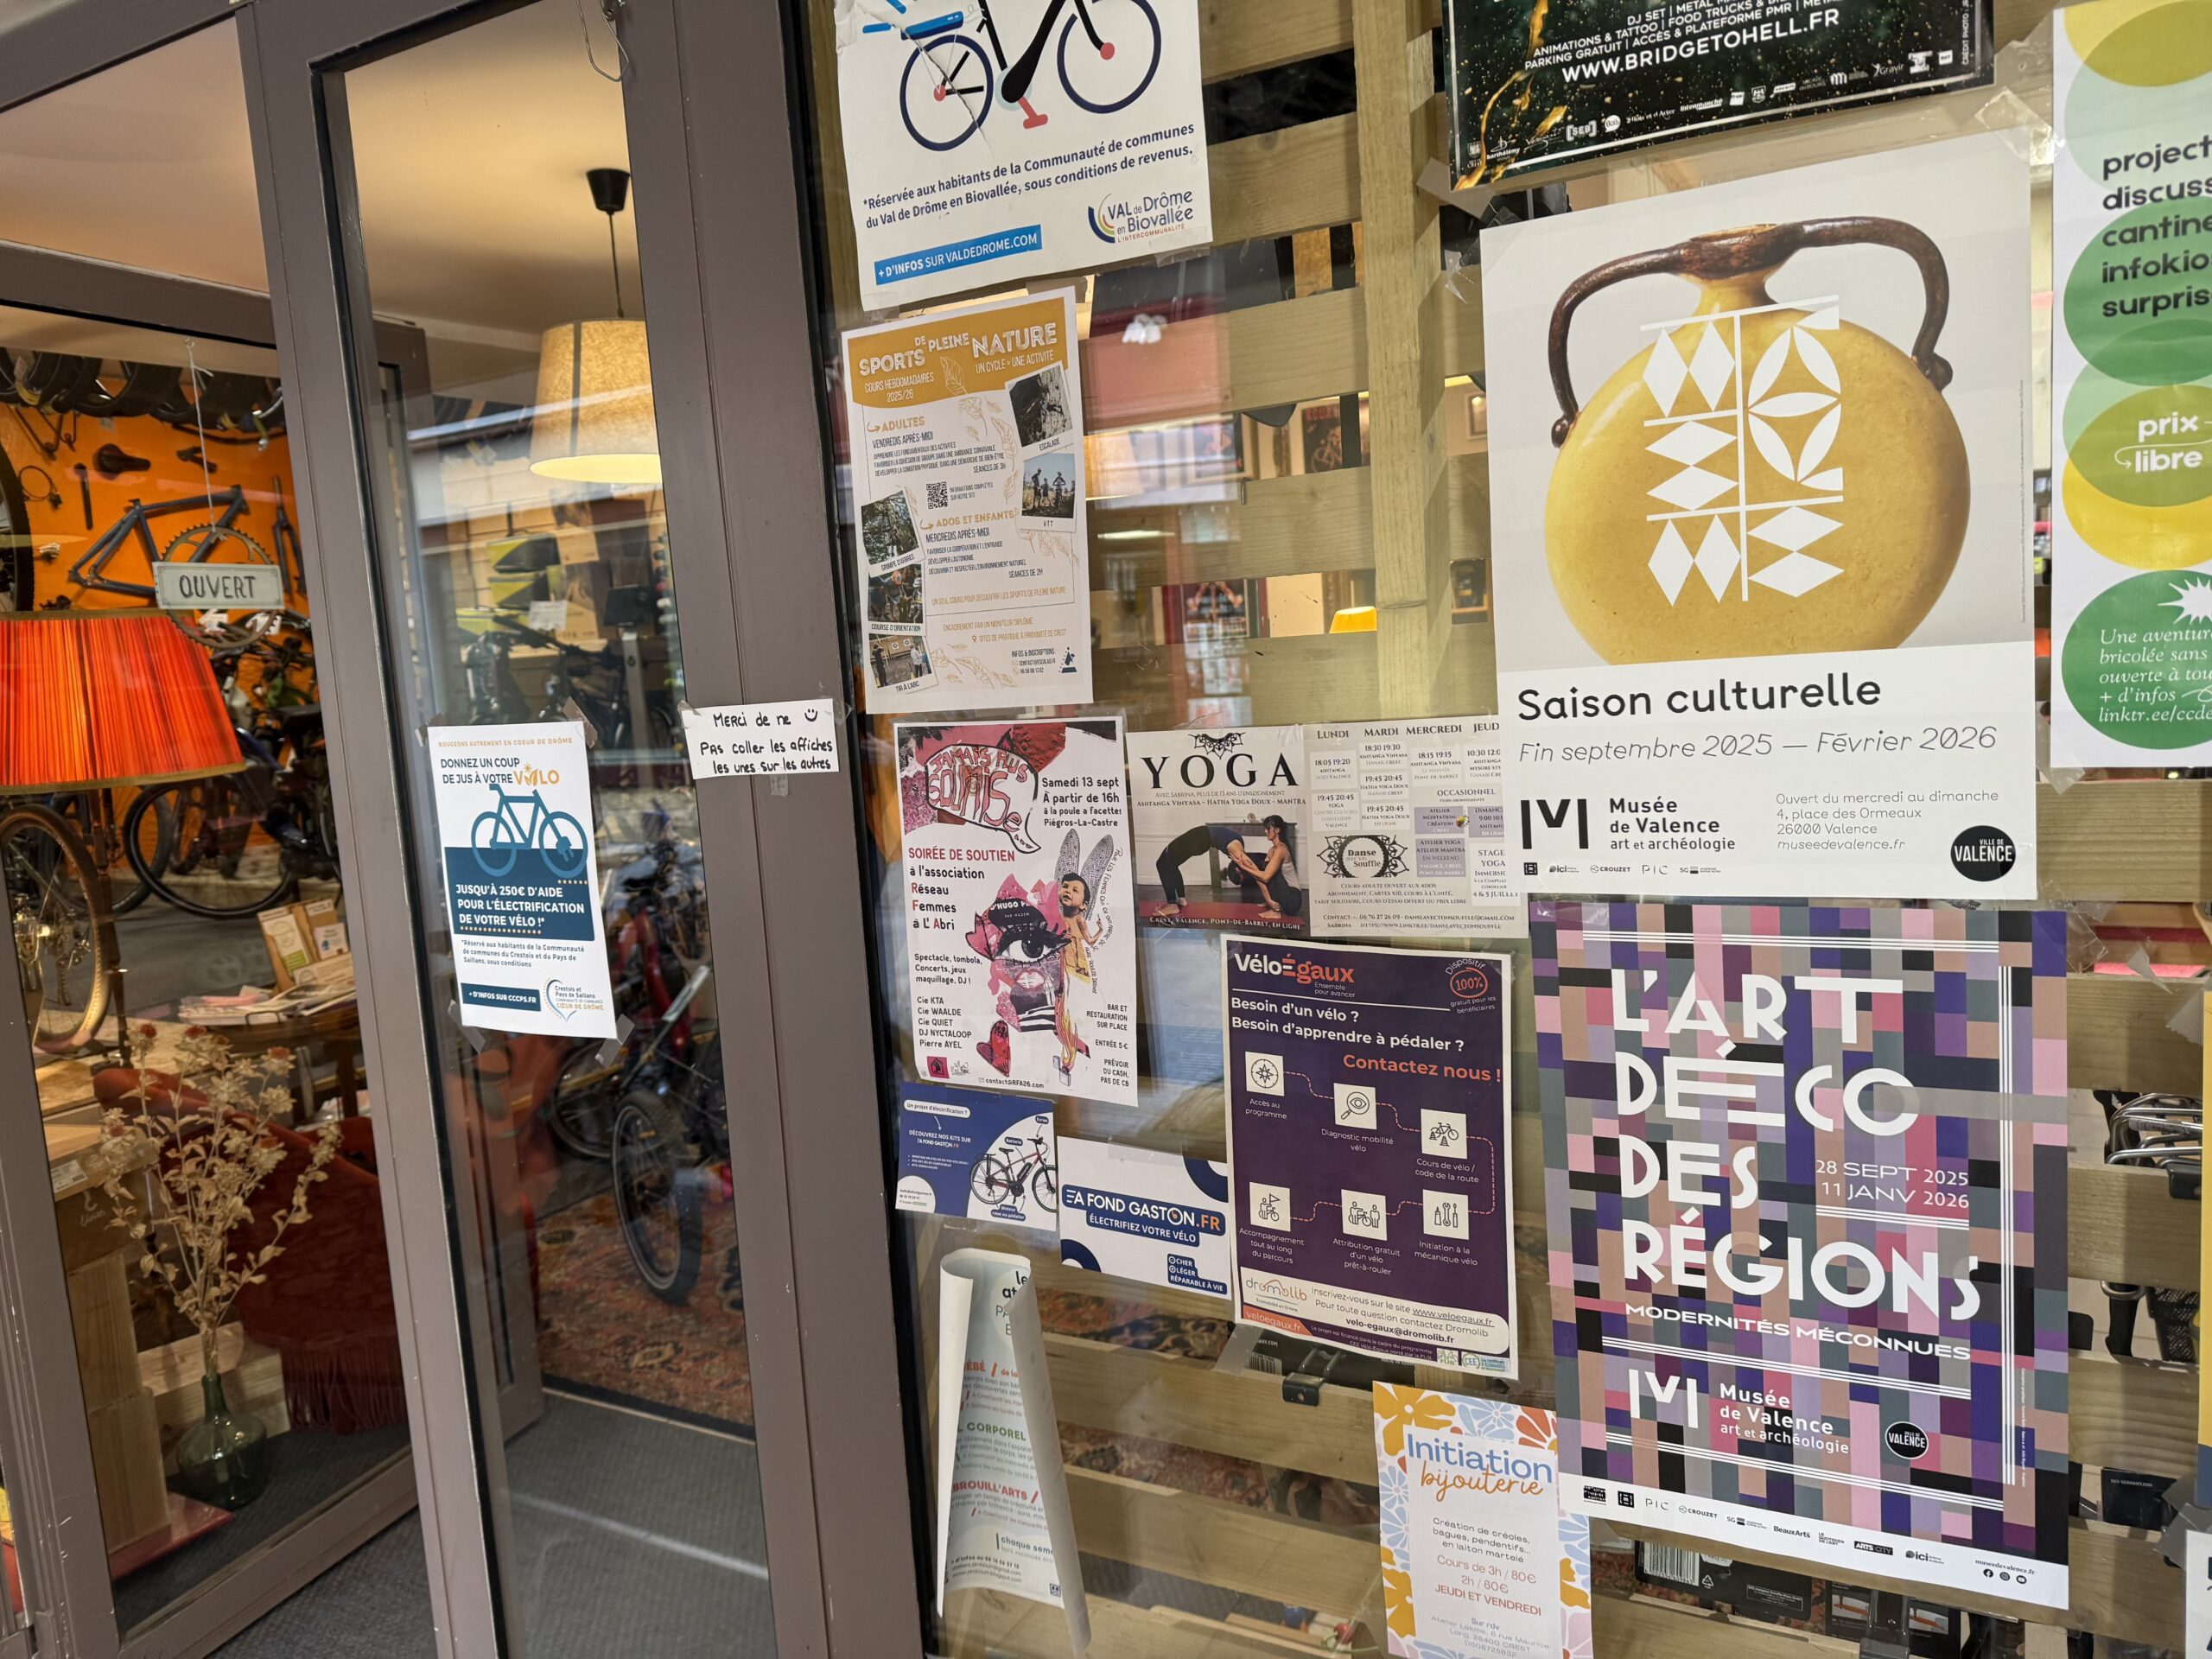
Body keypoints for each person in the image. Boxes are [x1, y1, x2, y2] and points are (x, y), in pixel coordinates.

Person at [1154, 817, 1303, 920]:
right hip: (1202, 836)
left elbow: (1259, 875)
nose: (1265, 831)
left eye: (1267, 828)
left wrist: (1269, 900)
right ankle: (1181, 900)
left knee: (1163, 863)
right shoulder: (1238, 849)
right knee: (1169, 864)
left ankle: (1172, 905)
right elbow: (1258, 873)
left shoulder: (1236, 851)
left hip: (1201, 836)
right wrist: (1268, 899)